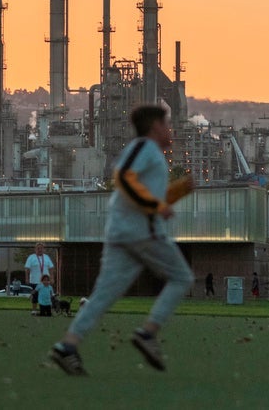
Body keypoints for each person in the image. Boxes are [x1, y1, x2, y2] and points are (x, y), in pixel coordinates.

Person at [50, 104, 195, 376]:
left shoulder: (149, 154)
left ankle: (68, 346)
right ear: (155, 127)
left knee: (104, 294)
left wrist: (175, 193)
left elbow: (147, 195)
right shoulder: (145, 148)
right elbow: (123, 179)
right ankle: (148, 332)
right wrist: (157, 206)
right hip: (142, 233)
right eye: (166, 124)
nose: (170, 130)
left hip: (122, 232)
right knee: (182, 278)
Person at [25, 242, 54, 313]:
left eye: (41, 248)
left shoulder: (47, 257)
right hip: (35, 280)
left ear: (43, 249)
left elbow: (51, 268)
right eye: (38, 248)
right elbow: (27, 269)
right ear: (35, 249)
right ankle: (34, 310)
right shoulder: (31, 257)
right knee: (35, 296)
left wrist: (52, 278)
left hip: (45, 282)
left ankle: (47, 309)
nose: (40, 250)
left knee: (46, 296)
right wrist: (27, 278)